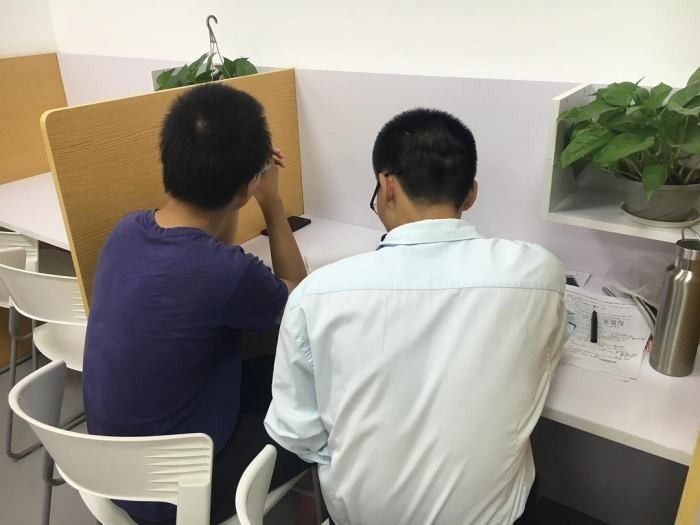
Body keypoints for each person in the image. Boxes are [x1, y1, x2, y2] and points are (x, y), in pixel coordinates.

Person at [265, 108, 569, 524]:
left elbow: (300, 437)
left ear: (386, 187)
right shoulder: (538, 273)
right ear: (471, 194)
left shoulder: (316, 295)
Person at [82, 83, 308, 524]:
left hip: (107, 472)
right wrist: (272, 202)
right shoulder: (227, 273)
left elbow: (210, 247)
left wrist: (241, 188)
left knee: (269, 368)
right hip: (178, 496)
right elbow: (298, 295)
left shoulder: (125, 231)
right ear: (245, 189)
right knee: (317, 402)